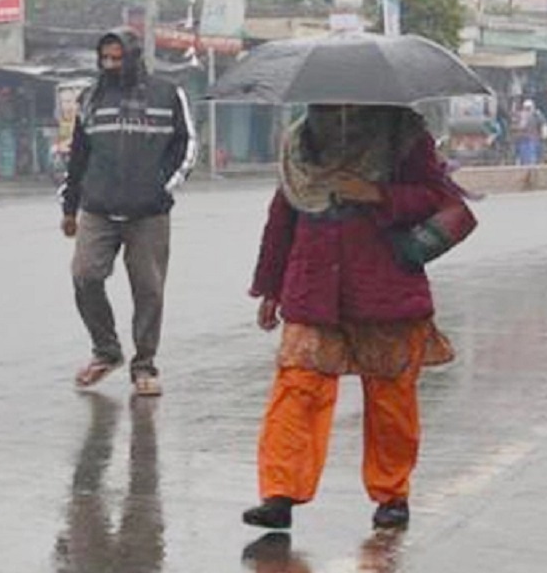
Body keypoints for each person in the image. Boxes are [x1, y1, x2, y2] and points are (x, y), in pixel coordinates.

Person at [242, 105, 461, 531]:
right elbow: (283, 215)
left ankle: (391, 494)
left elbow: (435, 197)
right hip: (312, 284)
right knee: (297, 386)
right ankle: (280, 493)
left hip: (383, 283)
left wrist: (376, 194)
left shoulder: (403, 135)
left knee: (390, 397)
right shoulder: (301, 140)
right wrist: (270, 286)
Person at [59, 28, 197, 397]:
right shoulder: (91, 98)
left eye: (117, 58)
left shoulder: (167, 94)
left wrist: (162, 187)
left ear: (133, 57)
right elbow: (78, 156)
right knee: (85, 275)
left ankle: (144, 366)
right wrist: (69, 207)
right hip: (99, 208)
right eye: (105, 58)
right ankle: (106, 351)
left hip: (149, 213)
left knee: (148, 290)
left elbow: (186, 147)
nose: (110, 65)